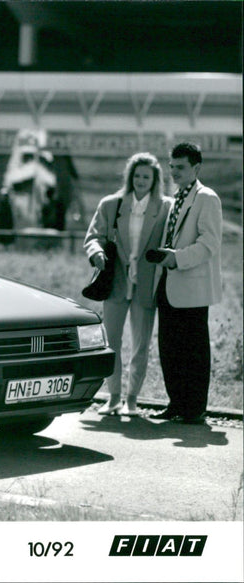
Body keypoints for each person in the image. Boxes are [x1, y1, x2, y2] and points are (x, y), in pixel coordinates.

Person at [84, 152, 171, 416]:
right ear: (130, 176)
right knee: (112, 341)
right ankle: (113, 398)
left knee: (141, 344)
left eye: (146, 176)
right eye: (137, 175)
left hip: (146, 284)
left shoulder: (166, 206)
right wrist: (96, 252)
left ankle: (132, 399)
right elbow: (93, 236)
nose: (141, 180)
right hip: (116, 282)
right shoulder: (111, 204)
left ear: (155, 179)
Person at [151, 142, 223, 425]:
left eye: (180, 167)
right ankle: (176, 403)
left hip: (191, 284)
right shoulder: (176, 197)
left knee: (193, 349)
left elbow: (210, 244)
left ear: (196, 168)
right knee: (169, 347)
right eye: (172, 167)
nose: (174, 172)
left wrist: (176, 259)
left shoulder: (207, 198)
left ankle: (194, 409)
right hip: (168, 282)